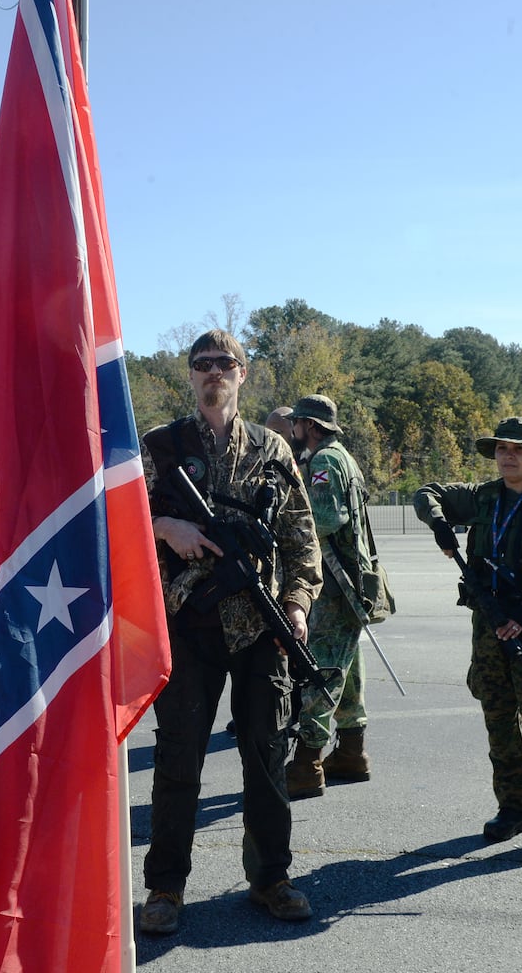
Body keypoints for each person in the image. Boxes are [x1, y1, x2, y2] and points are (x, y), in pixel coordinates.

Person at [137, 330, 322, 935]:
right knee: (178, 761)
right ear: (189, 376)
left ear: (243, 374)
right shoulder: (161, 446)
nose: (214, 372)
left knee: (267, 758)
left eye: (226, 363)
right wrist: (165, 526)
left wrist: (295, 608)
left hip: (258, 628)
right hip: (185, 625)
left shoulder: (272, 449)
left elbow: (300, 538)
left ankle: (271, 878)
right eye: (203, 364)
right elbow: (110, 519)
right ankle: (165, 887)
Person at [413, 417, 522, 861]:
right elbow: (427, 492)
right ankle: (513, 809)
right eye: (502, 448)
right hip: (489, 626)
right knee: (499, 722)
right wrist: (438, 523)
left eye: (520, 449)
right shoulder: (483, 497)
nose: (509, 455)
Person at [281, 394, 375, 799]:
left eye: (297, 424)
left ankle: (307, 762)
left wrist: (283, 526)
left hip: (333, 582)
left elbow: (323, 519)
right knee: (347, 662)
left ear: (310, 426)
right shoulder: (346, 458)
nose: (294, 432)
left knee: (323, 666)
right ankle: (351, 752)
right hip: (353, 578)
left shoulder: (323, 461)